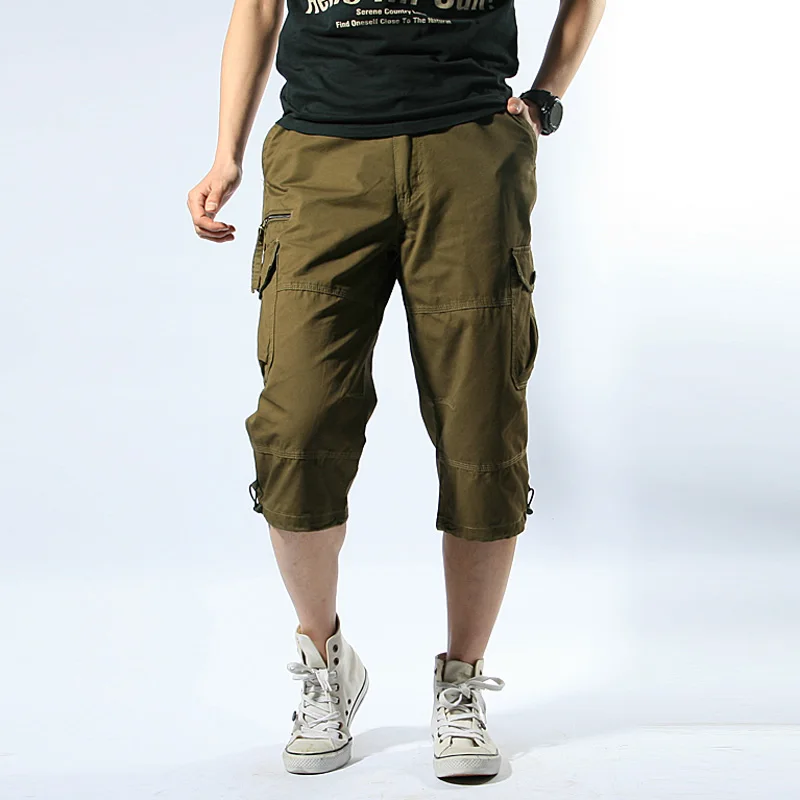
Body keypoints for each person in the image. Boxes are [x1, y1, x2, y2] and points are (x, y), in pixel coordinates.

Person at [187, 0, 604, 780]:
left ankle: (463, 682)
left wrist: (547, 93)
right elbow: (259, 7)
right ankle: (325, 664)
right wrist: (226, 153)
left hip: (469, 151)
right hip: (322, 154)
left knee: (481, 427)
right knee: (297, 429)